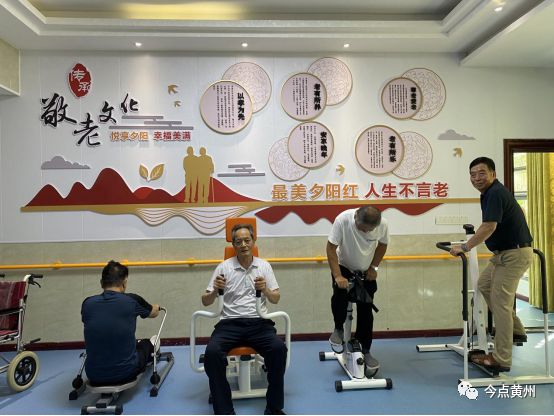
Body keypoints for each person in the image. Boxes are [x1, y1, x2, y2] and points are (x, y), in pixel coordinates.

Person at [450, 156, 532, 373]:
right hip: (502, 254)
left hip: (513, 254)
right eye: (473, 174)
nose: (476, 178)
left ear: (493, 174)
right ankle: (516, 330)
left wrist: (465, 247)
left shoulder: (494, 192)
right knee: (484, 285)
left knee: (501, 303)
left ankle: (501, 358)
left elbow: (489, 226)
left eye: (481, 173)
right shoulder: (490, 193)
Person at [202, 224, 287, 415]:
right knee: (212, 353)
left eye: (247, 240)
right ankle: (224, 410)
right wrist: (215, 290)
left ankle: (274, 408)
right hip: (229, 323)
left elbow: (275, 298)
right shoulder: (224, 267)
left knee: (278, 349)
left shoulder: (264, 266)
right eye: (238, 241)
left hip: (259, 323)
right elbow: (205, 301)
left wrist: (265, 289)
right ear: (233, 244)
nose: (243, 245)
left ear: (253, 241)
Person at [327, 206, 389, 377]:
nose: (366, 232)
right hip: (344, 267)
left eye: (370, 230)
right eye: (363, 228)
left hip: (366, 270)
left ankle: (365, 349)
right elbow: (331, 248)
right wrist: (338, 276)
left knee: (366, 309)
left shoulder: (382, 224)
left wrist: (374, 267)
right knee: (340, 296)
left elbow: (383, 245)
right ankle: (338, 329)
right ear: (356, 217)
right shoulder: (343, 219)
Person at [81, 260, 160, 385]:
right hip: (126, 373)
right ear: (124, 282)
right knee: (147, 344)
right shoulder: (132, 300)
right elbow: (153, 313)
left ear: (101, 283)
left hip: (93, 375)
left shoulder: (87, 303)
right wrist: (157, 307)